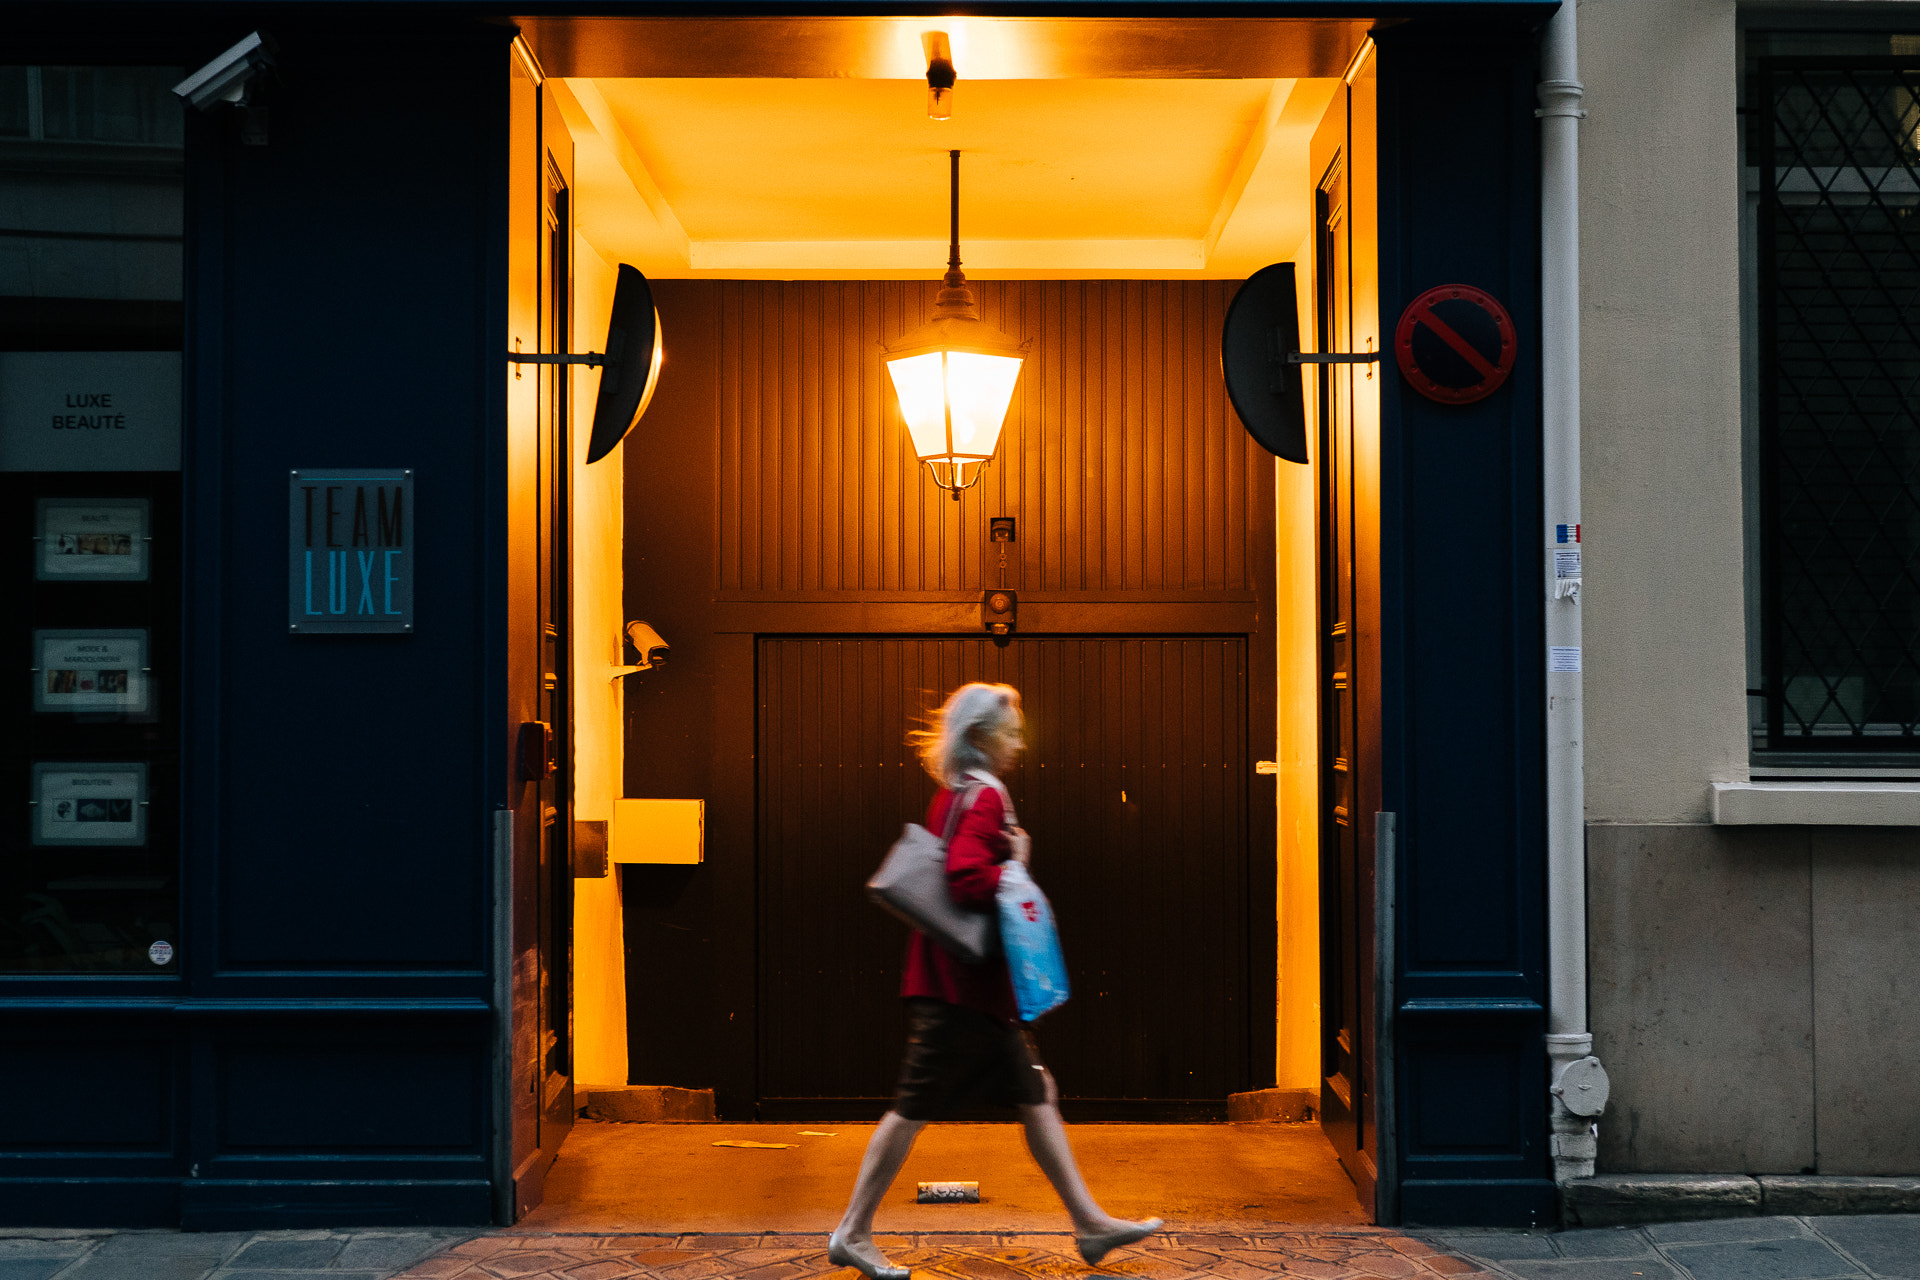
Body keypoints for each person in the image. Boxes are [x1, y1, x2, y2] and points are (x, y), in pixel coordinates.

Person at [827, 682, 1161, 1280]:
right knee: (911, 1109)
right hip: (961, 991)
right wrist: (1018, 864)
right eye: (1010, 733)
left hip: (963, 985)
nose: (1020, 743)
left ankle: (1090, 1224)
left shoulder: (953, 794)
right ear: (981, 737)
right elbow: (964, 880)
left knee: (1037, 1094)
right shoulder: (985, 798)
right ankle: (851, 1232)